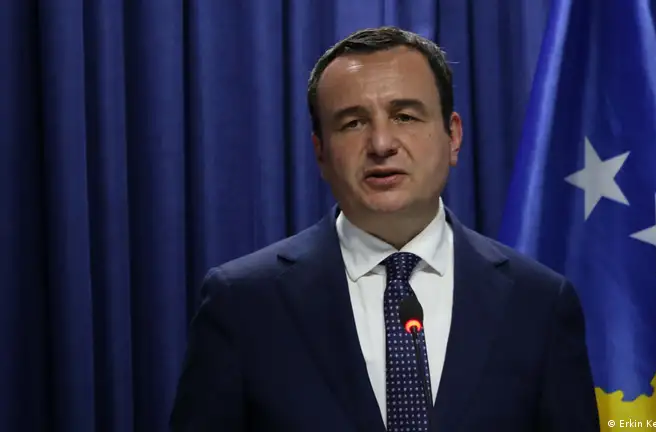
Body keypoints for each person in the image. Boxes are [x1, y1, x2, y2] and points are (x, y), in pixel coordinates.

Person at [170, 26, 600, 431]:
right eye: (352, 123)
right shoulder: (242, 303)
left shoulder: (539, 304)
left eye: (405, 117)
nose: (380, 144)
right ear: (320, 152)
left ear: (452, 136)